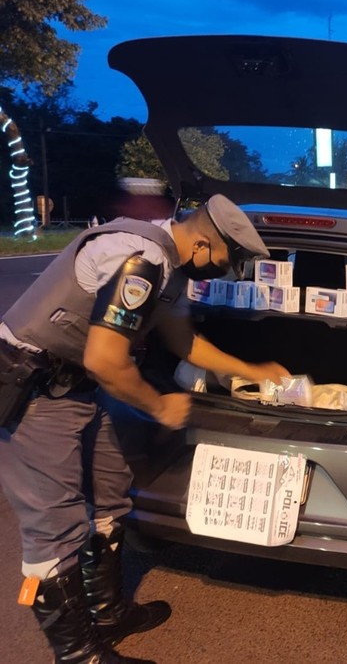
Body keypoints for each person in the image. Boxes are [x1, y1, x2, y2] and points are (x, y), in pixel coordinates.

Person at [0, 194, 290, 664]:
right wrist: (159, 406)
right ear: (201, 246)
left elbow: (183, 340)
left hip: (78, 387)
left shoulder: (171, 264)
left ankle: (109, 612)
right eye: (223, 262)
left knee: (110, 492)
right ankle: (78, 656)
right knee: (53, 527)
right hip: (31, 387)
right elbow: (104, 359)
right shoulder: (140, 257)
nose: (223, 273)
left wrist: (252, 371)